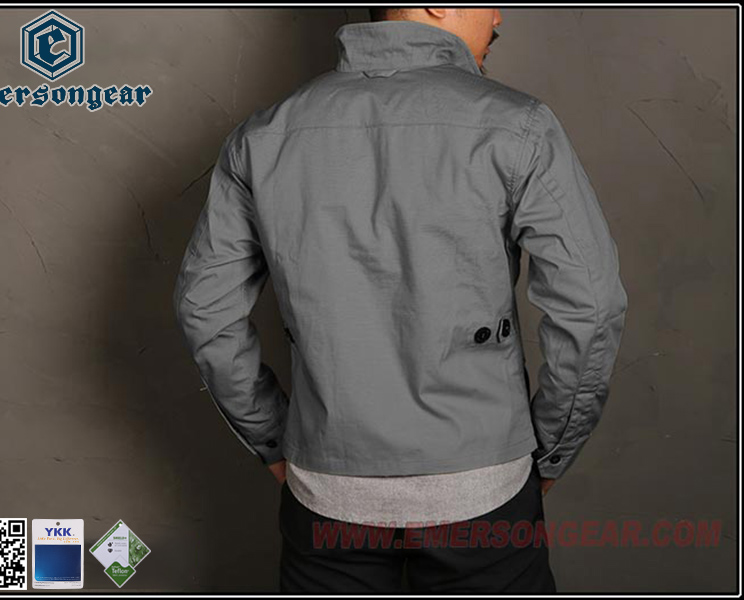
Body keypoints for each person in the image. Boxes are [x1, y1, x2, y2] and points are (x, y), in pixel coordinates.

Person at [173, 7, 628, 594]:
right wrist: (551, 452)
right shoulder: (519, 127)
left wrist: (274, 439)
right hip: (482, 484)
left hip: (328, 487)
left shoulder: (263, 137)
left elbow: (205, 310)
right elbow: (590, 307)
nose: (499, 16)